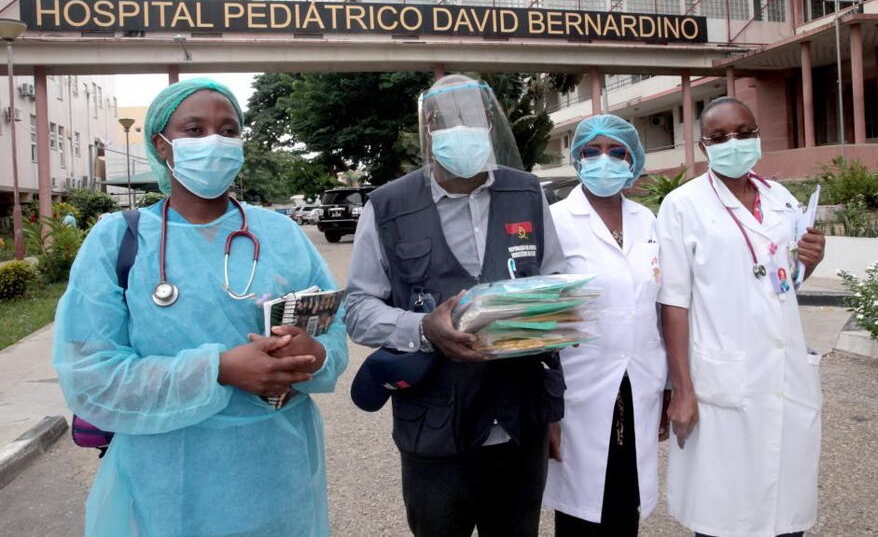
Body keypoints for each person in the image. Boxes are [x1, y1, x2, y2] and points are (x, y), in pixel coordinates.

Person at [53, 78, 348, 536]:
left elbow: (334, 334)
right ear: (162, 145)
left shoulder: (281, 234)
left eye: (228, 130)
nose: (214, 141)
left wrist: (315, 353)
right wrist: (218, 370)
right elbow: (91, 377)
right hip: (168, 486)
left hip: (279, 476)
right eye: (194, 129)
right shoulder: (118, 240)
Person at [345, 74, 566, 537]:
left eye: (472, 114)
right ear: (428, 130)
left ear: (490, 122)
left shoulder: (526, 193)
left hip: (517, 420)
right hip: (434, 426)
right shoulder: (388, 205)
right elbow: (360, 308)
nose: (461, 126)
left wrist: (554, 407)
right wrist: (423, 328)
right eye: (446, 118)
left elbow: (555, 288)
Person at [657, 97, 826, 537]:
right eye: (719, 137)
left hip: (784, 372)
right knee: (724, 514)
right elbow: (673, 301)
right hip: (722, 377)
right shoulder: (682, 205)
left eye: (743, 132)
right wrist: (682, 390)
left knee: (786, 516)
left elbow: (783, 278)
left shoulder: (779, 197)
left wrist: (811, 259)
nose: (733, 143)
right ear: (703, 144)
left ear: (757, 135)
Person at [543, 115, 668, 536]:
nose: (604, 161)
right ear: (576, 160)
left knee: (625, 499)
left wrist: (669, 388)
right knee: (580, 511)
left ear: (634, 161)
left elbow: (661, 308)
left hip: (641, 383)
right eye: (591, 152)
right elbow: (541, 320)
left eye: (617, 152)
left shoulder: (648, 222)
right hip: (580, 388)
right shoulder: (555, 221)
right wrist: (548, 409)